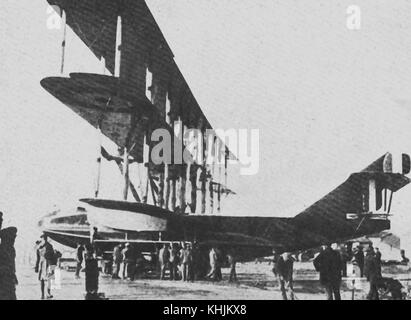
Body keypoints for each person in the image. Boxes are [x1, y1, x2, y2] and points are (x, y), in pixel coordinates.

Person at [0, 227, 18, 300]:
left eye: (14, 238)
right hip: (3, 281)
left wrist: (14, 275)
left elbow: (12, 264)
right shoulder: (1, 249)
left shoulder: (11, 249)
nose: (13, 240)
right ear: (5, 239)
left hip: (10, 280)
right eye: (12, 238)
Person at [35, 234, 55, 299]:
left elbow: (52, 256)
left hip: (48, 263)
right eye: (43, 238)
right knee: (42, 280)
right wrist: (37, 266)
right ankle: (42, 294)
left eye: (45, 238)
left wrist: (52, 266)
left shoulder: (50, 246)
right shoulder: (39, 247)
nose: (44, 239)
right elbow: (38, 258)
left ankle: (48, 293)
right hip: (42, 264)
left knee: (49, 280)